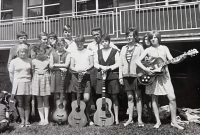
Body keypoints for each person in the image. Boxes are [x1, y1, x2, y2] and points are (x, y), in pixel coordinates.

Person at [136, 31, 185, 130]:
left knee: (172, 97)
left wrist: (182, 58)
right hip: (153, 76)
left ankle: (174, 121)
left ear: (159, 38)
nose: (153, 39)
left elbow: (172, 60)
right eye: (151, 38)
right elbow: (137, 61)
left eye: (155, 37)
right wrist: (146, 69)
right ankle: (158, 121)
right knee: (154, 98)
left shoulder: (165, 48)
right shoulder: (148, 50)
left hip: (165, 76)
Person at [119, 27, 144, 127]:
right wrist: (120, 76)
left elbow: (144, 62)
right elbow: (121, 63)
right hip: (126, 76)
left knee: (138, 97)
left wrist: (141, 74)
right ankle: (130, 119)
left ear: (135, 37)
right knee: (130, 97)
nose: (129, 37)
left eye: (131, 35)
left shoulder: (140, 47)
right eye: (128, 35)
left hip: (136, 75)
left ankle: (139, 119)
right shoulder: (123, 48)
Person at [94, 33, 120, 125]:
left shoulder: (115, 51)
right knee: (105, 97)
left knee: (114, 97)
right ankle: (106, 116)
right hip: (102, 75)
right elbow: (95, 63)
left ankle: (116, 118)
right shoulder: (98, 52)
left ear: (109, 41)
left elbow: (118, 63)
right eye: (103, 41)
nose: (104, 43)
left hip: (112, 76)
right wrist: (102, 67)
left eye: (106, 41)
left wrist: (109, 68)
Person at [69, 35, 94, 126]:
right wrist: (77, 70)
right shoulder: (73, 53)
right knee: (77, 98)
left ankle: (88, 117)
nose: (79, 44)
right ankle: (79, 116)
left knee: (86, 98)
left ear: (84, 42)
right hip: (76, 76)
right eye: (77, 43)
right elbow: (71, 66)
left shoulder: (89, 52)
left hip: (86, 76)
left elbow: (92, 64)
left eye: (81, 42)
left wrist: (85, 69)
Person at [8, 44, 32, 127]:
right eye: (21, 52)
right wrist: (13, 84)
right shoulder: (14, 61)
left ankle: (27, 121)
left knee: (27, 103)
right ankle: (22, 121)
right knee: (20, 103)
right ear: (18, 52)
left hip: (28, 83)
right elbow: (11, 74)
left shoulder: (30, 60)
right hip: (18, 83)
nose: (23, 53)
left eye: (25, 52)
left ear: (27, 52)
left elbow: (32, 72)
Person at [31, 45, 51, 125]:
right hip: (36, 79)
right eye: (38, 51)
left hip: (45, 79)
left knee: (46, 100)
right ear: (36, 52)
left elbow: (50, 70)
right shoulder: (33, 61)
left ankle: (46, 119)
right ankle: (41, 119)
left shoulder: (48, 60)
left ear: (44, 51)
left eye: (42, 51)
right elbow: (32, 72)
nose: (40, 53)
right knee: (39, 100)